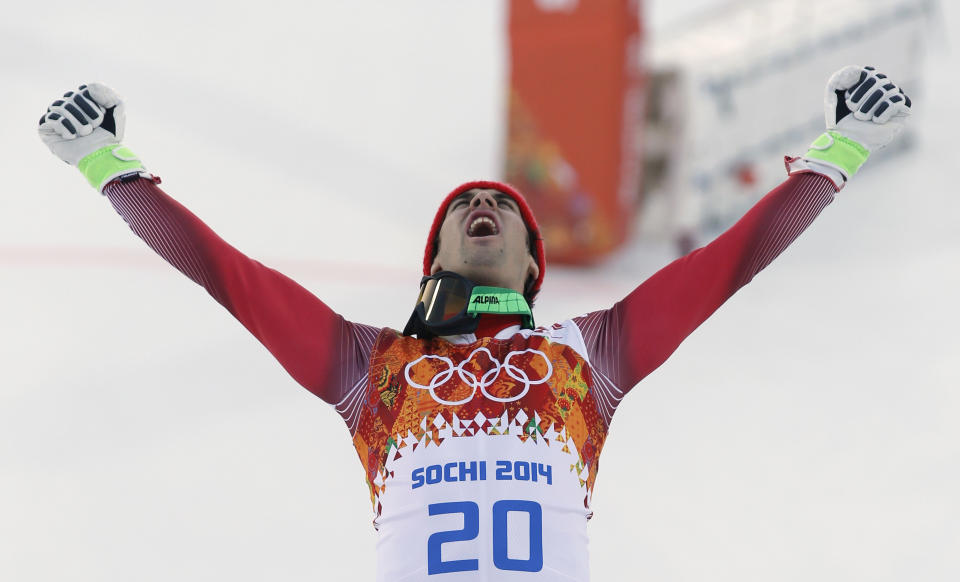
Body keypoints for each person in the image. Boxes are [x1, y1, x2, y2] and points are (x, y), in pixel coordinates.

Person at [38, 65, 911, 581]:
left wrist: (840, 150)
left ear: (535, 266)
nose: (484, 202)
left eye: (502, 204)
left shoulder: (591, 354)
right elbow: (231, 279)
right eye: (467, 205)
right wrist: (106, 162)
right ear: (435, 259)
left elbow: (726, 266)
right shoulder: (366, 368)